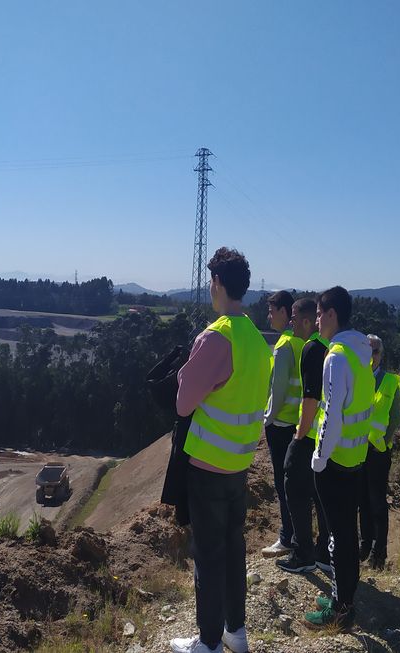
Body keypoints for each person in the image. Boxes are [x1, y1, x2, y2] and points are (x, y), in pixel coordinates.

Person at [170, 247, 271, 653]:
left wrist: (183, 373)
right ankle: (236, 631)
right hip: (239, 464)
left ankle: (208, 643)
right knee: (233, 550)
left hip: (207, 466)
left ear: (216, 283)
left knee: (208, 556)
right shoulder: (257, 341)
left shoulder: (216, 336)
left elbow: (183, 403)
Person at [305, 286, 373, 630]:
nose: (317, 321)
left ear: (332, 314)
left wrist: (318, 458)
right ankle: (342, 596)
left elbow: (331, 416)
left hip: (334, 462)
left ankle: (340, 609)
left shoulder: (336, 357)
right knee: (347, 532)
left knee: (337, 537)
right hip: (355, 457)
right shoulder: (362, 351)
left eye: (319, 314)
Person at [277, 298, 331, 575]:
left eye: (295, 318)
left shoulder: (311, 349)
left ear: (308, 321)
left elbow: (311, 396)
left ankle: (303, 553)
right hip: (323, 435)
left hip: (309, 434)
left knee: (294, 489)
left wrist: (299, 434)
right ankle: (323, 553)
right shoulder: (328, 349)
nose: (291, 323)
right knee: (318, 494)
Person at [261, 290, 304, 558]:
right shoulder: (302, 343)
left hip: (281, 424)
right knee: (298, 485)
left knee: (283, 484)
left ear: (286, 313)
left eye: (272, 310)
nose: (269, 315)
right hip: (299, 423)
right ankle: (298, 535)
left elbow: (277, 391)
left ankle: (288, 536)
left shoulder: (284, 346)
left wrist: (268, 417)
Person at [358, 334, 400, 569]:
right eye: (367, 351)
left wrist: (381, 440)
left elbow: (395, 418)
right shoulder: (356, 377)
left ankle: (379, 552)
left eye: (375, 352)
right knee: (361, 500)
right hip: (357, 449)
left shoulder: (390, 382)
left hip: (378, 452)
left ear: (380, 355)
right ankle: (364, 545)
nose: (371, 356)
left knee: (376, 501)